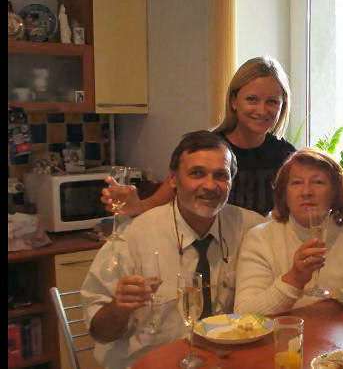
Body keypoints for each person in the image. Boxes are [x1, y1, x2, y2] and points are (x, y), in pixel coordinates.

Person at [101, 56, 343, 242]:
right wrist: (134, 205)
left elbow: (308, 204)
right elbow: (161, 202)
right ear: (234, 100)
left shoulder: (285, 155)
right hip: (218, 257)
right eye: (252, 99)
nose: (262, 110)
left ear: (282, 106)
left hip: (268, 259)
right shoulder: (209, 150)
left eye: (272, 102)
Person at [81, 131, 266, 369]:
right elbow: (100, 332)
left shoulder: (251, 229)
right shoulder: (133, 237)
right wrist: (119, 308)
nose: (210, 186)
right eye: (197, 173)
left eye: (221, 175)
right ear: (173, 180)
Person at [234, 148, 343, 316]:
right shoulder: (260, 239)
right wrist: (294, 279)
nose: (306, 192)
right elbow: (244, 312)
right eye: (297, 183)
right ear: (284, 193)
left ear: (335, 192)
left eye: (318, 182)